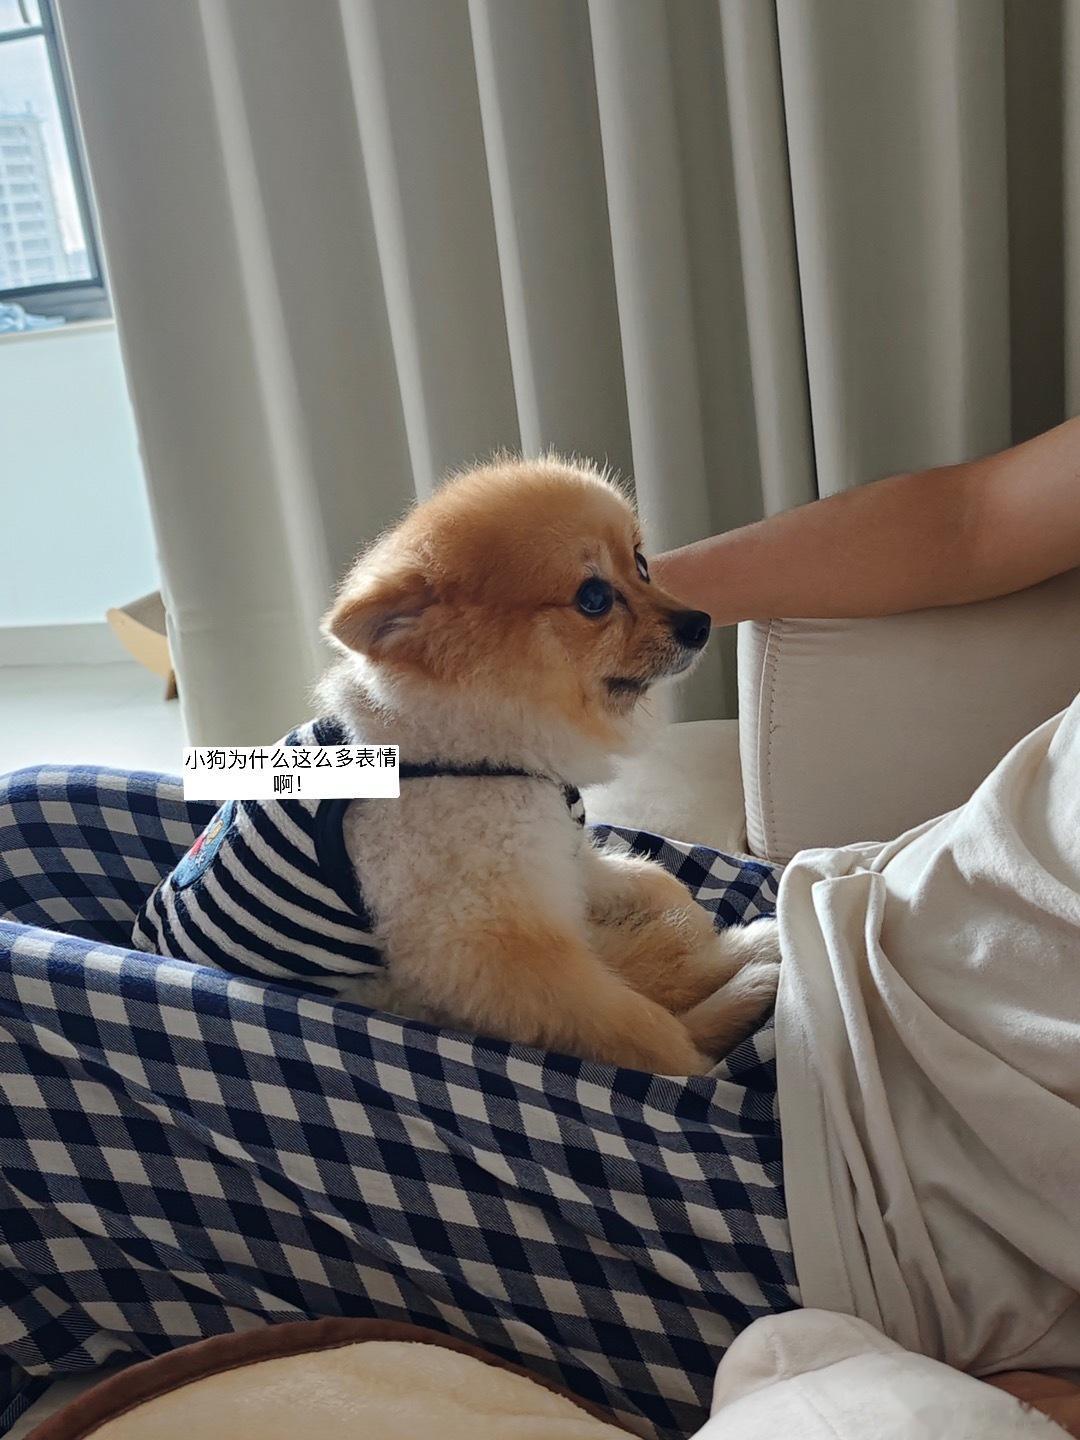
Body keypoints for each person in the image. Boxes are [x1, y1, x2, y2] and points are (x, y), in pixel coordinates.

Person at [0, 419, 1077, 1440]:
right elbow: (972, 520)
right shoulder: (436, 746)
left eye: (633, 575)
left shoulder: (453, 751)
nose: (665, 611)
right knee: (32, 805)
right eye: (610, 589)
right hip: (835, 932)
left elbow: (493, 952)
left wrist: (678, 1055)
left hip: (841, 1167)